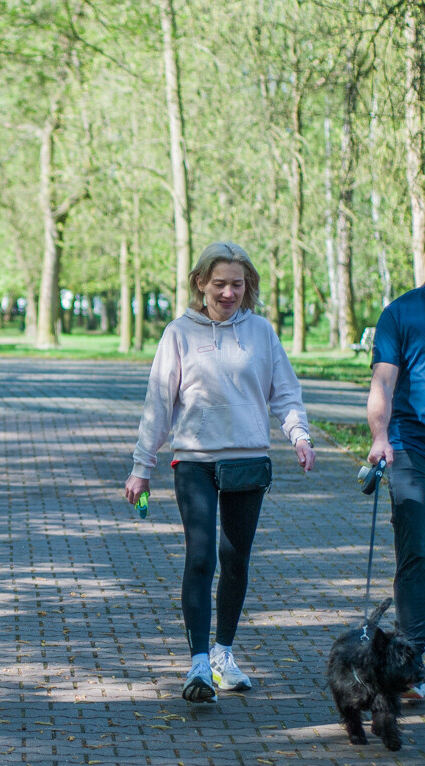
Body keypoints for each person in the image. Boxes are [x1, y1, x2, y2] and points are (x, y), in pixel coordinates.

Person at [124, 241, 315, 703]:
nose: (228, 292)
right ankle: (196, 665)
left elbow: (284, 393)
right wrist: (141, 466)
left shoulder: (262, 333)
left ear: (247, 286)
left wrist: (299, 436)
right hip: (194, 460)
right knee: (201, 557)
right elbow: (159, 404)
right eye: (219, 284)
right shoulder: (178, 333)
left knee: (235, 560)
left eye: (237, 283)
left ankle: (223, 655)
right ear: (200, 284)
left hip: (248, 460)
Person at [366, 283, 425, 699]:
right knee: (417, 547)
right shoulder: (400, 313)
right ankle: (411, 665)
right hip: (409, 443)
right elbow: (383, 382)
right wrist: (379, 435)